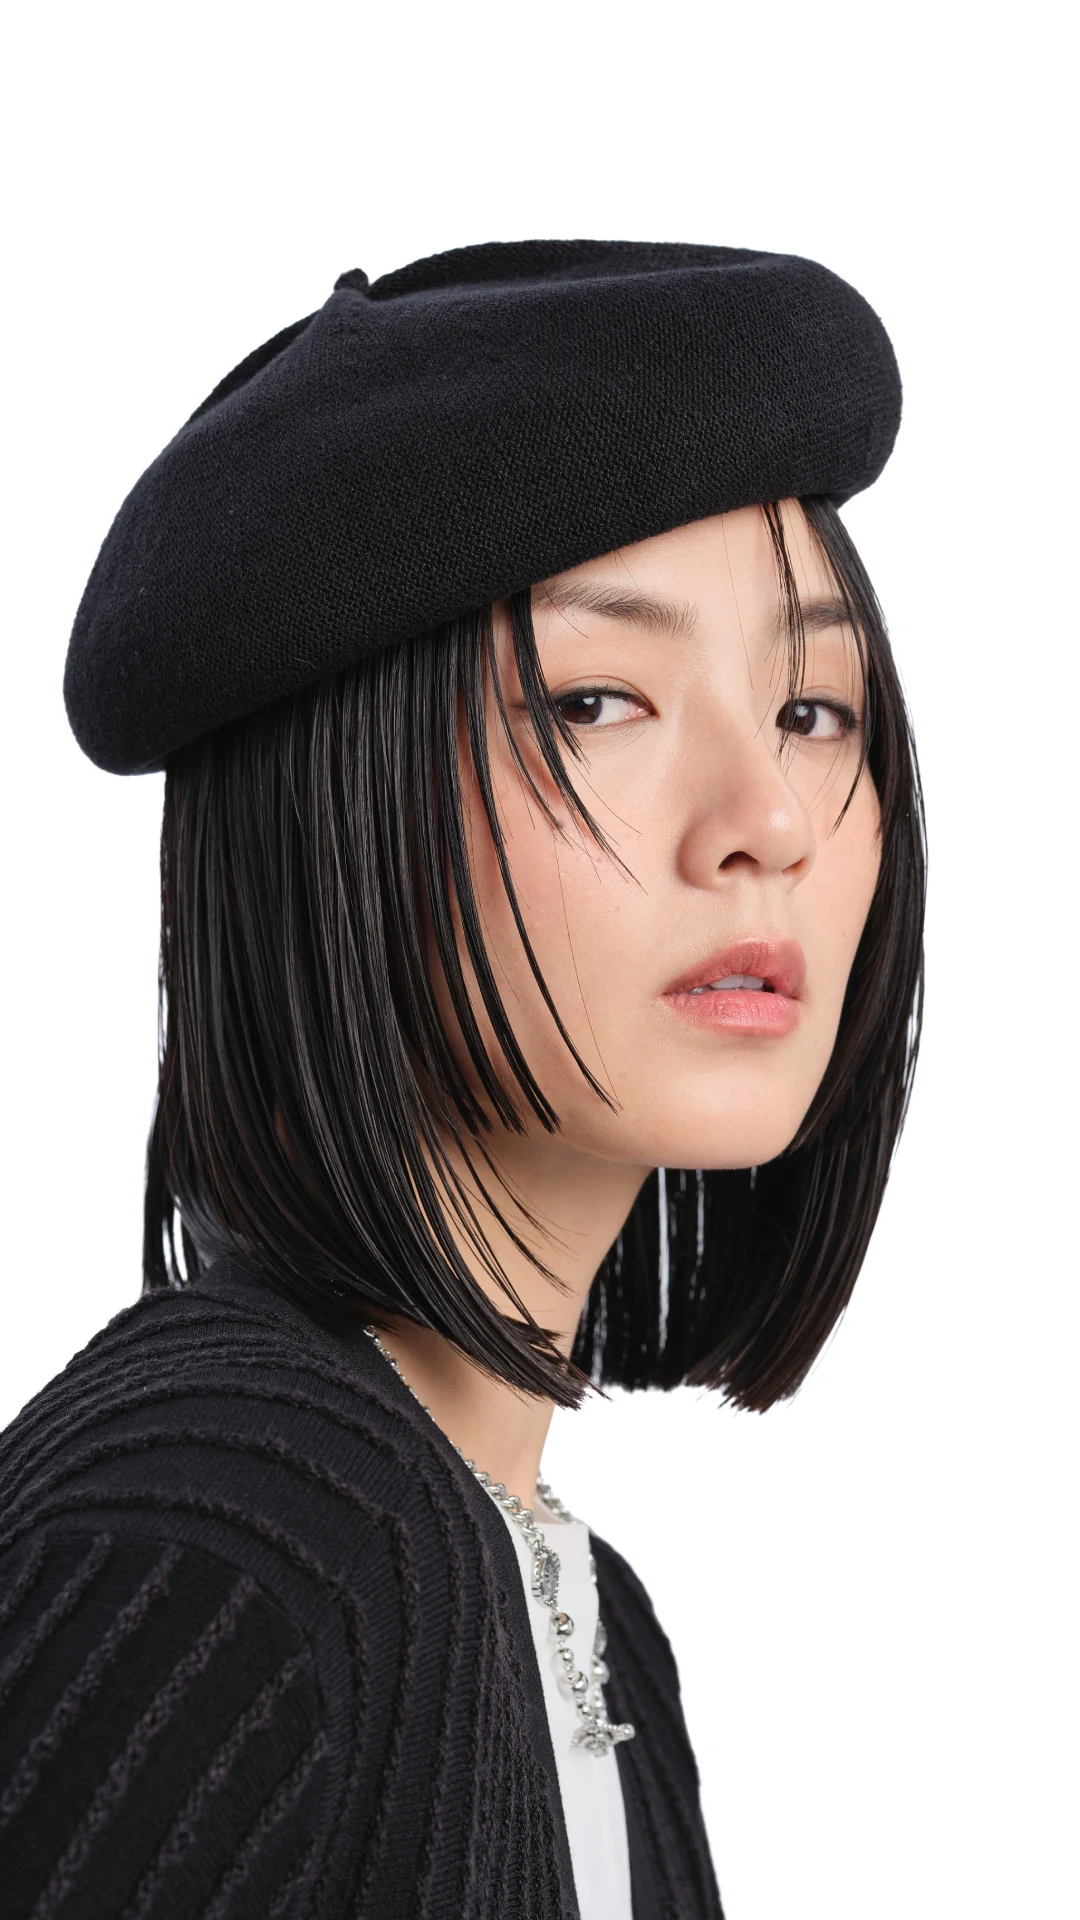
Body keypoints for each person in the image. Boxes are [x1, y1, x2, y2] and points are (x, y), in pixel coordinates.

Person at [0, 239, 925, 1918]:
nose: (768, 821)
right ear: (333, 804)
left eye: (813, 709)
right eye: (596, 701)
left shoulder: (586, 1620)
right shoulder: (218, 1555)